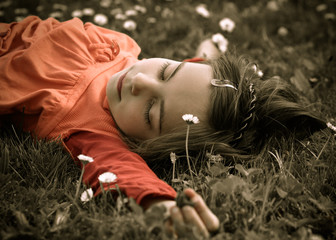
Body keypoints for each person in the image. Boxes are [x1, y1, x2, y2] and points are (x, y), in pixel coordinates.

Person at [0, 16, 326, 237]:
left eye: (151, 112)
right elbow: (193, 78)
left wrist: (162, 206)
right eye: (166, 71)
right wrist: (206, 56)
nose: (139, 81)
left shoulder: (95, 131)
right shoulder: (137, 63)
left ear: (152, 146)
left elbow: (123, 171)